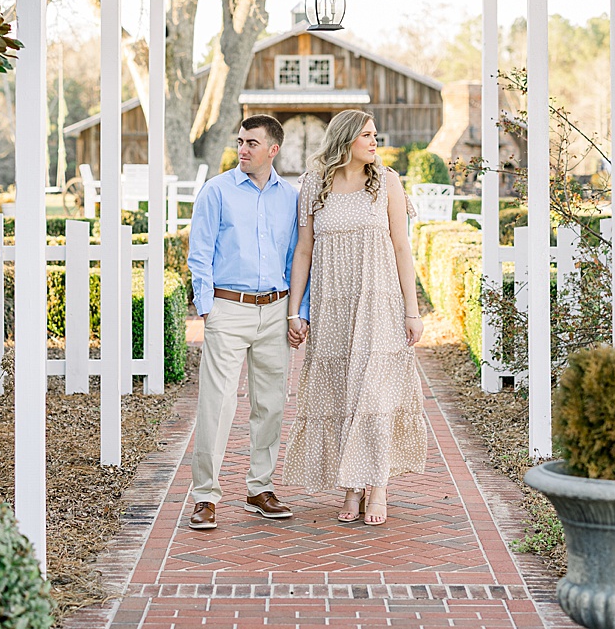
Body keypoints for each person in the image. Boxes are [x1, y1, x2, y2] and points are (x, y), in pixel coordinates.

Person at [280, 110, 430, 525]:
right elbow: (304, 250)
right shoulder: (314, 185)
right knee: (342, 394)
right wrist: (295, 311)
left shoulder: (387, 182)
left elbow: (401, 247)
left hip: (379, 303)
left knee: (375, 397)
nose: (374, 141)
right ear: (345, 139)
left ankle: (377, 486)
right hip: (332, 307)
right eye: (367, 135)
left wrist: (412, 310)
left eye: (375, 134)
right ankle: (351, 485)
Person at [182, 115, 309, 530]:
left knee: (271, 404)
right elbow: (199, 253)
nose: (242, 149)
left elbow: (296, 258)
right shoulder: (216, 191)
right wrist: (207, 308)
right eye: (240, 141)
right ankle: (205, 496)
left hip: (275, 310)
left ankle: (260, 488)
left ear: (273, 149)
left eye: (252, 143)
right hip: (228, 308)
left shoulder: (289, 197)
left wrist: (297, 311)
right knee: (217, 404)